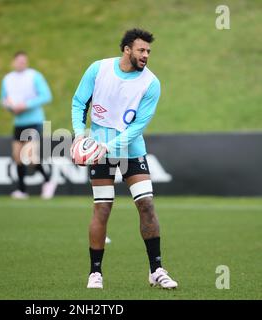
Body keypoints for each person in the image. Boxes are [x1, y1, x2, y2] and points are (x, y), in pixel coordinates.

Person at [71, 28, 178, 289]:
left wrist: (107, 148)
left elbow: (136, 128)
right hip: (97, 148)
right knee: (103, 208)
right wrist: (78, 135)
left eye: (149, 51)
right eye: (141, 50)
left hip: (130, 150)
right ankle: (95, 273)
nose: (146, 55)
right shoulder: (98, 69)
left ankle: (157, 270)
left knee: (147, 205)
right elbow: (78, 103)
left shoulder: (151, 83)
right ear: (127, 49)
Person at [0, 51, 57, 199]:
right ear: (13, 62)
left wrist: (26, 105)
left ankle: (48, 181)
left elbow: (46, 96)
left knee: (30, 157)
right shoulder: (7, 79)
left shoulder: (34, 76)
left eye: (24, 61)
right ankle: (21, 190)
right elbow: (3, 99)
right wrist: (9, 106)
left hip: (34, 121)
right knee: (18, 157)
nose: (21, 63)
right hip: (18, 122)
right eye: (19, 61)